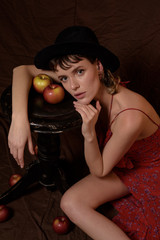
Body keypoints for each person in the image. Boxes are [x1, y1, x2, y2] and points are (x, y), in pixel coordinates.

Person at [8, 26, 160, 240]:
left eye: (80, 72)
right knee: (70, 202)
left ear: (98, 66)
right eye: (63, 78)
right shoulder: (76, 80)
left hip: (151, 170)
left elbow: (99, 170)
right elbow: (21, 70)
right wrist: (19, 122)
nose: (73, 86)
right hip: (123, 162)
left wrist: (88, 133)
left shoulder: (130, 118)